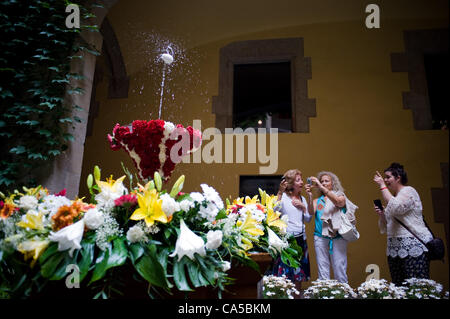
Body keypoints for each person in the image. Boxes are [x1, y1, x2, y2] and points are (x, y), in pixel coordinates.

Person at [373, 162, 433, 286]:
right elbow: (385, 227)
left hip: (412, 246)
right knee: (399, 286)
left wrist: (382, 186)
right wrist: (382, 215)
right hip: (394, 248)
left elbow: (398, 208)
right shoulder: (393, 197)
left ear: (398, 177)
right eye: (385, 178)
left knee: (417, 287)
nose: (385, 180)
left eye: (388, 177)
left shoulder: (409, 191)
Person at [305, 171, 356, 284]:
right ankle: (325, 293)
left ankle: (343, 294)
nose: (323, 183)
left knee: (339, 268)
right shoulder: (318, 201)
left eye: (326, 181)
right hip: (320, 236)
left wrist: (321, 186)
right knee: (322, 269)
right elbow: (310, 212)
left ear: (333, 183)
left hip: (338, 237)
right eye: (322, 181)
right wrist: (309, 195)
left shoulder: (340, 195)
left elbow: (338, 203)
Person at [273, 169, 312, 290]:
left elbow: (308, 218)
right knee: (284, 276)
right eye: (298, 180)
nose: (301, 182)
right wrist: (280, 192)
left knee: (298, 276)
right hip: (286, 241)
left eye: (301, 179)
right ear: (290, 183)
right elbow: (274, 211)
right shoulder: (283, 197)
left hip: (301, 240)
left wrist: (303, 207)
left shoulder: (302, 198)